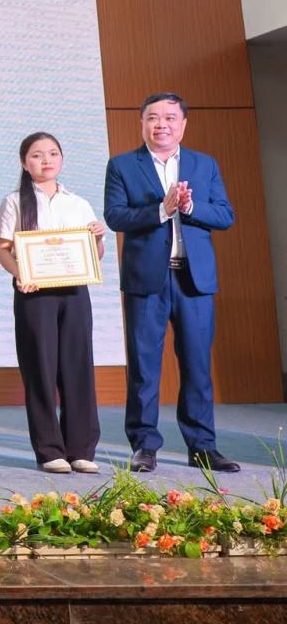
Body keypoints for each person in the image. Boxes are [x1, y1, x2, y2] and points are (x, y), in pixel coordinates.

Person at [105, 92, 239, 473]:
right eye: (152, 118)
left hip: (193, 280)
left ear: (183, 124)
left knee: (197, 365)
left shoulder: (203, 164)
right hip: (147, 279)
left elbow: (225, 215)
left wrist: (191, 207)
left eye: (169, 118)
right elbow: (115, 216)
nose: (160, 124)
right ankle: (144, 446)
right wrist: (161, 210)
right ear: (142, 123)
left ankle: (203, 447)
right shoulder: (122, 165)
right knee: (144, 367)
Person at [0, 131, 104, 474]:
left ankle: (82, 449)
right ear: (24, 163)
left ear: (62, 160)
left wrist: (98, 239)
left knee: (78, 368)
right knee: (40, 369)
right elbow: (3, 250)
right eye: (37, 155)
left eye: (53, 153)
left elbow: (95, 255)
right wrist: (20, 274)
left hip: (74, 293)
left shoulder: (78, 203)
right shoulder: (15, 201)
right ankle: (49, 449)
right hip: (34, 294)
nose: (46, 160)